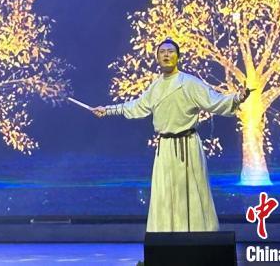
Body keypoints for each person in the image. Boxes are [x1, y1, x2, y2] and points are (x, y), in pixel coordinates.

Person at [92, 38, 250, 232]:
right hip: (165, 148)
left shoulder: (189, 83)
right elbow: (136, 106)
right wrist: (107, 110)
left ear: (178, 57)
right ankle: (165, 236)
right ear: (157, 58)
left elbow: (214, 101)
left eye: (170, 51)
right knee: (164, 192)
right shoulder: (155, 87)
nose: (166, 55)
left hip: (188, 145)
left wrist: (237, 98)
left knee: (191, 192)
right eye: (162, 52)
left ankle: (197, 237)